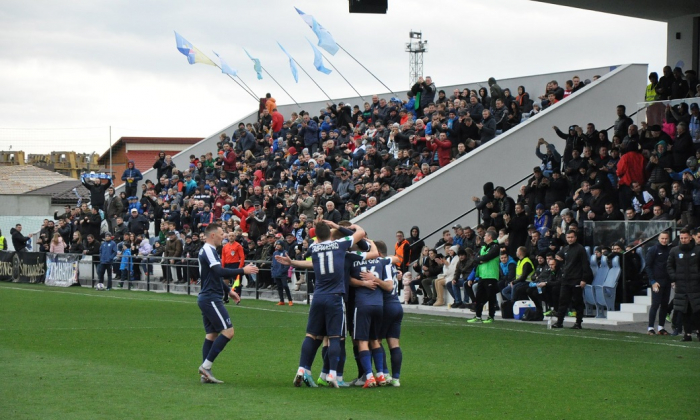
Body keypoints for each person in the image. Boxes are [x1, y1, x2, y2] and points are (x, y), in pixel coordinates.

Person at [277, 221, 376, 388]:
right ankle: (332, 374)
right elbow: (361, 233)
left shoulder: (314, 249)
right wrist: (344, 226)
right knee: (335, 337)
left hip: (318, 296)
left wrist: (292, 262)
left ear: (316, 236)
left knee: (311, 335)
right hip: (335, 297)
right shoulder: (339, 245)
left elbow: (311, 263)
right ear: (330, 234)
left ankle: (302, 369)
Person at [197, 223, 259, 384]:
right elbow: (219, 272)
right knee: (228, 332)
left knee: (212, 334)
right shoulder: (208, 250)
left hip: (208, 296)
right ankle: (206, 367)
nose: (223, 235)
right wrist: (242, 271)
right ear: (212, 235)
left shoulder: (209, 251)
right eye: (221, 233)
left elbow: (214, 275)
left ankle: (206, 373)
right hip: (210, 298)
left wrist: (229, 291)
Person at [552, 230, 592, 329]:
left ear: (575, 237)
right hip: (566, 279)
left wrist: (584, 279)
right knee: (562, 301)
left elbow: (585, 264)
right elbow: (558, 257)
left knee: (577, 301)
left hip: (576, 279)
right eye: (568, 237)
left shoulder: (580, 249)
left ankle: (578, 323)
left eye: (572, 237)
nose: (570, 239)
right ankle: (559, 322)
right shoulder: (565, 248)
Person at [666, 229, 700, 342]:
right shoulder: (674, 251)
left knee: (697, 310)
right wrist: (674, 277)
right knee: (684, 311)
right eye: (681, 238)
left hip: (696, 285)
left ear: (690, 237)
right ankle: (687, 334)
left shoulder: (698, 250)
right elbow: (669, 265)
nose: (683, 240)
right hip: (681, 286)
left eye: (685, 238)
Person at [468, 231, 501, 323]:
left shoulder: (495, 247)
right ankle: (478, 316)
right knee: (479, 297)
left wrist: (481, 259)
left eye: (486, 235)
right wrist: (481, 259)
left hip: (491, 275)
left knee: (491, 297)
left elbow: (488, 256)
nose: (484, 237)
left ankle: (491, 316)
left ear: (490, 237)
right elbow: (476, 258)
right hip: (482, 275)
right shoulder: (483, 247)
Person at [645, 231, 672, 335]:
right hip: (657, 282)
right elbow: (648, 266)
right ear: (659, 239)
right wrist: (652, 281)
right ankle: (650, 328)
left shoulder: (669, 250)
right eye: (662, 238)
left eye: (666, 238)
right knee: (655, 304)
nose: (664, 240)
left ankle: (661, 327)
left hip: (667, 281)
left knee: (664, 304)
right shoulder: (653, 250)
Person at [271, 240, 293, 306]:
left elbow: (287, 263)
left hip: (282, 273)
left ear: (282, 245)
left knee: (285, 286)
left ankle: (290, 300)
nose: (277, 246)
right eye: (277, 244)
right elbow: (273, 263)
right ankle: (281, 300)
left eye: (279, 245)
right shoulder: (275, 253)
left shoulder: (285, 252)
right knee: (279, 287)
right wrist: (273, 270)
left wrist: (283, 270)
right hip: (276, 272)